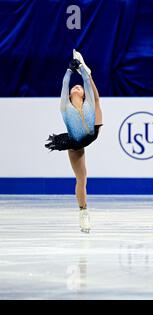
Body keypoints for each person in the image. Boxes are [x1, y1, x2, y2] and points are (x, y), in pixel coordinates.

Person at [45, 50, 103, 233]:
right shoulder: (64, 106)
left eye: (79, 88)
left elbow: (86, 85)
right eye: (74, 88)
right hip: (75, 142)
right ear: (70, 94)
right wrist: (69, 72)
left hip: (92, 132)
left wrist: (84, 73)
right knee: (81, 178)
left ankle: (89, 71)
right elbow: (64, 85)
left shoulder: (88, 103)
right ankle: (83, 213)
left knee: (97, 101)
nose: (76, 88)